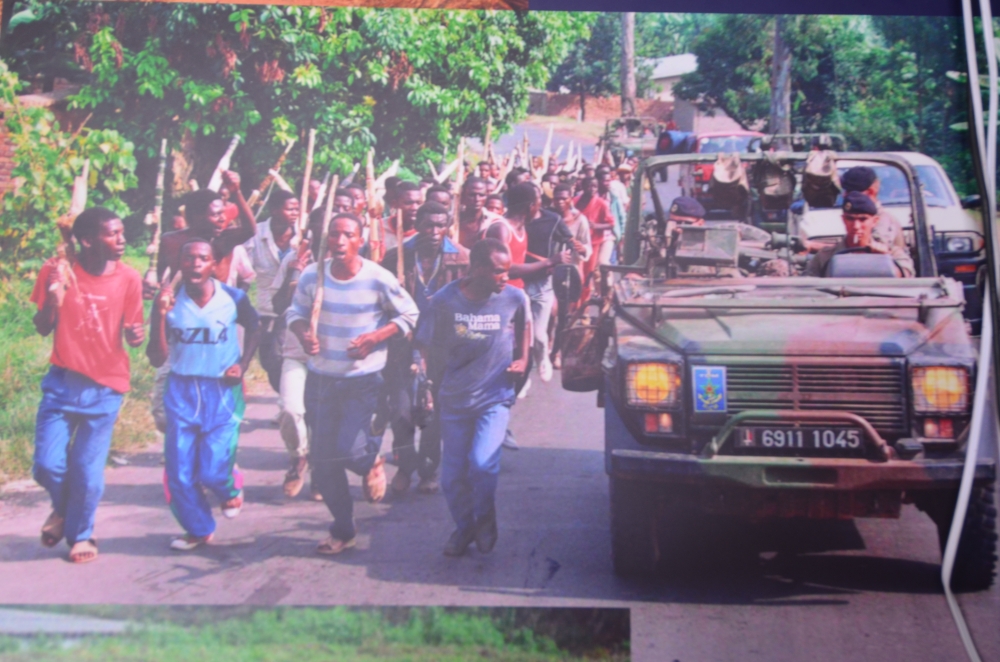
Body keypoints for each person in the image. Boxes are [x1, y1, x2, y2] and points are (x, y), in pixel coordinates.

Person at [288, 212, 419, 555]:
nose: (340, 241)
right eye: (334, 235)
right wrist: (304, 335)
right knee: (324, 460)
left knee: (353, 454)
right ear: (326, 239)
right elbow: (295, 314)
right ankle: (343, 528)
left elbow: (409, 314)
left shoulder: (378, 278)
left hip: (364, 381)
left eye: (347, 235)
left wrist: (375, 337)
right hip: (321, 380)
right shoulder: (312, 277)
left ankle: (371, 457)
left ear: (360, 240)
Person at [31, 207, 145, 564]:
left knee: (87, 472)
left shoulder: (129, 278)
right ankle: (65, 510)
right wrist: (53, 300)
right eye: (112, 234)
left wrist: (136, 334)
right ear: (86, 240)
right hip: (62, 382)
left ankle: (82, 534)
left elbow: (135, 334)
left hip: (105, 388)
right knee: (46, 465)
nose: (122, 239)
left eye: (122, 232)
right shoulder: (58, 268)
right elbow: (41, 326)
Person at [414, 238, 530, 557]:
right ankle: (464, 528)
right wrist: (425, 381)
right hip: (454, 399)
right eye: (497, 271)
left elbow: (526, 325)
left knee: (482, 463)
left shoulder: (514, 297)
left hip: (494, 398)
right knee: (452, 478)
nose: (505, 277)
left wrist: (522, 357)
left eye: (507, 271)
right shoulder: (444, 301)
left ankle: (485, 518)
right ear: (476, 269)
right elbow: (423, 342)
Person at [146, 239, 261, 551]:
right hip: (182, 390)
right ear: (181, 265)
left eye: (203, 258)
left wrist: (243, 363)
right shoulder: (169, 303)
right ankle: (198, 529)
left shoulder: (232, 297)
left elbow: (256, 326)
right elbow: (156, 358)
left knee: (212, 471)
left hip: (222, 392)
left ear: (214, 265)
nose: (195, 264)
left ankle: (229, 486)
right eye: (189, 258)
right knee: (179, 472)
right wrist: (159, 315)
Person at [146, 173, 257, 433]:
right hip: (179, 321)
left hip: (215, 322)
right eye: (215, 214)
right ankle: (183, 440)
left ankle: (214, 448)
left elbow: (251, 230)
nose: (222, 219)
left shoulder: (223, 240)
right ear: (195, 218)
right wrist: (152, 287)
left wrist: (237, 191)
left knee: (216, 393)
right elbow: (161, 276)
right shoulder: (172, 241)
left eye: (223, 214)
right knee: (164, 408)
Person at [381, 202, 470, 496]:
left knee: (433, 413)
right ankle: (406, 467)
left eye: (439, 225)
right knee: (401, 411)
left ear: (447, 226)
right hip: (401, 347)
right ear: (416, 224)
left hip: (442, 349)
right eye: (428, 225)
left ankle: (429, 471)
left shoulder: (461, 259)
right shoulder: (396, 257)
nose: (433, 232)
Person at [269, 209, 326, 499]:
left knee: (322, 418)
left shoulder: (355, 263)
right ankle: (298, 456)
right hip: (295, 349)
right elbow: (277, 304)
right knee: (290, 409)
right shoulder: (296, 260)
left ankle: (320, 474)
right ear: (312, 229)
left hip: (332, 355)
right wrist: (293, 271)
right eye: (321, 226)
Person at [243, 189, 299, 392]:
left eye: (297, 209)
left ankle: (290, 400)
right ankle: (286, 396)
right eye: (289, 209)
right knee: (267, 358)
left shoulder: (303, 237)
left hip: (293, 307)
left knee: (280, 355)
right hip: (266, 306)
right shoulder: (256, 235)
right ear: (274, 210)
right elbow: (245, 271)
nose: (295, 213)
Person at [805, 191, 915, 277]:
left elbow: (907, 276)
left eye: (863, 219)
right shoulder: (825, 257)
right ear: (843, 220)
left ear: (875, 221)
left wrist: (884, 260)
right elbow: (808, 288)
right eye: (850, 219)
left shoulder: (893, 253)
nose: (856, 226)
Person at [839, 166, 907, 251]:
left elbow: (864, 249)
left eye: (850, 191)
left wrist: (821, 247)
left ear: (871, 192)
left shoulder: (884, 221)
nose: (844, 195)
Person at [574, 176, 615, 304]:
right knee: (576, 276)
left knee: (588, 276)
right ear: (583, 187)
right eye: (589, 186)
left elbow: (611, 224)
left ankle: (584, 309)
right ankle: (574, 305)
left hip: (594, 244)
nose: (591, 189)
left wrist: (596, 226)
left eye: (594, 186)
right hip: (576, 244)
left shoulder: (601, 204)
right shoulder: (576, 201)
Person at [457, 177, 501, 250]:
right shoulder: (453, 221)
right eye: (472, 195)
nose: (477, 199)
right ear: (463, 195)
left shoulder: (494, 221)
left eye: (481, 195)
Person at [383, 181, 422, 252]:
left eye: (418, 203)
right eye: (408, 203)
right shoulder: (379, 227)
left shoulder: (424, 232)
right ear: (394, 204)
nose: (415, 208)